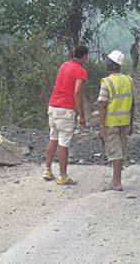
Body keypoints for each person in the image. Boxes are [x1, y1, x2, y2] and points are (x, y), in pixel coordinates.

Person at [44, 44, 88, 185]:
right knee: (64, 143)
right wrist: (81, 115)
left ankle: (47, 170)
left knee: (53, 137)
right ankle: (63, 176)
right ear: (85, 56)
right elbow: (77, 92)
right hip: (66, 109)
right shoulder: (81, 71)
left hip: (53, 106)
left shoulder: (64, 65)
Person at [97, 50, 135, 191]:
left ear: (109, 65)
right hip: (125, 121)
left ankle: (116, 182)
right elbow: (133, 103)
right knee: (121, 150)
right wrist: (131, 123)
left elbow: (102, 105)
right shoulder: (128, 80)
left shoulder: (107, 82)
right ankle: (115, 179)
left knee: (116, 152)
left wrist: (101, 126)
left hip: (111, 122)